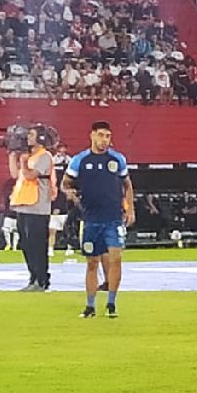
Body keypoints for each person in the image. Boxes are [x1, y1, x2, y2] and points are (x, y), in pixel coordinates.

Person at [62, 122, 134, 319]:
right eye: (101, 135)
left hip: (113, 218)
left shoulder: (117, 159)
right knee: (92, 262)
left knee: (116, 259)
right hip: (91, 219)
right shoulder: (80, 160)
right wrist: (70, 192)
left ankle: (111, 304)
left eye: (108, 136)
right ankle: (90, 306)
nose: (104, 140)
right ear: (92, 135)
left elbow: (127, 184)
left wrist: (130, 209)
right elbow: (65, 183)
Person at [10, 127, 56, 290]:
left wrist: (23, 162)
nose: (27, 137)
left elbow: (30, 175)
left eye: (31, 134)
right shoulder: (29, 156)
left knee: (38, 245)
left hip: (38, 206)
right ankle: (33, 278)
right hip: (23, 205)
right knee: (26, 244)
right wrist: (12, 155)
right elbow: (15, 175)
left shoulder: (44, 156)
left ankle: (42, 279)